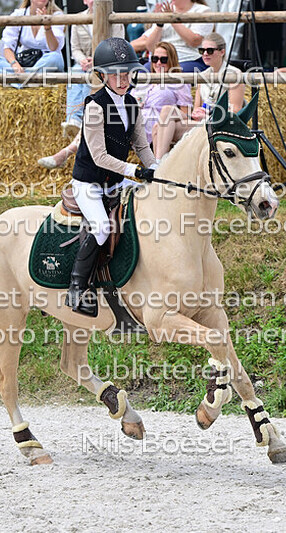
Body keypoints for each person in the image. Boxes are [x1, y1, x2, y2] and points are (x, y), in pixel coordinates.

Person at [65, 37, 158, 316]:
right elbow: (99, 156)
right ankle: (77, 287)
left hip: (116, 182)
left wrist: (156, 169)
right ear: (103, 76)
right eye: (116, 74)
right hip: (89, 183)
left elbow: (141, 146)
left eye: (127, 73)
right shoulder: (95, 106)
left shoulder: (132, 103)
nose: (123, 80)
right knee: (102, 228)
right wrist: (134, 171)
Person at [38, 41, 191, 169]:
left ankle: (155, 167)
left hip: (153, 126)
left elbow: (185, 113)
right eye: (155, 58)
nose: (158, 63)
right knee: (100, 114)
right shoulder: (143, 80)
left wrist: (165, 113)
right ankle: (65, 153)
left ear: (172, 60)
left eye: (163, 59)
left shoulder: (178, 81)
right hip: (130, 121)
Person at [151, 32, 244, 159]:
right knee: (166, 112)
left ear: (222, 52)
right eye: (202, 50)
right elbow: (196, 109)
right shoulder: (203, 75)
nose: (205, 54)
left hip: (219, 124)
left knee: (158, 128)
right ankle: (159, 164)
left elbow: (235, 111)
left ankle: (158, 165)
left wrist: (208, 116)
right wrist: (198, 113)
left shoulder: (234, 74)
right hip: (201, 122)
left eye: (209, 50)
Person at [64, 0, 126, 139]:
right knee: (74, 73)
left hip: (107, 64)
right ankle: (73, 119)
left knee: (94, 75)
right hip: (83, 63)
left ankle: (86, 117)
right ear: (85, 1)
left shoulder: (115, 19)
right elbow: (75, 48)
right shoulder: (78, 19)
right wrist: (82, 60)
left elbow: (118, 47)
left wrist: (97, 61)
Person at [0, 0, 65, 74]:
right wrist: (14, 64)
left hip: (45, 63)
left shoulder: (57, 15)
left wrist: (47, 28)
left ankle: (20, 80)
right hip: (25, 63)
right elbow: (8, 47)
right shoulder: (19, 14)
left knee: (55, 58)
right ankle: (27, 79)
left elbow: (53, 48)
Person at [131, 0, 214, 73]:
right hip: (159, 60)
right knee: (142, 72)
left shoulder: (203, 11)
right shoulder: (165, 9)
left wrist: (172, 19)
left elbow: (194, 41)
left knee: (175, 75)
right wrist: (159, 24)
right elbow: (150, 47)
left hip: (188, 59)